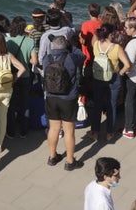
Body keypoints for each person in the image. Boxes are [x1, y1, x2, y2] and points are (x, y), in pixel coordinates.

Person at [41, 35, 84, 170]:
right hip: (68, 98)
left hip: (51, 97)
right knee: (68, 130)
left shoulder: (46, 59)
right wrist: (72, 45)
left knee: (54, 128)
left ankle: (52, 156)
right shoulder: (71, 58)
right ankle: (70, 161)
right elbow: (82, 56)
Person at [87, 26, 127, 142]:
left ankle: (95, 131)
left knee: (97, 104)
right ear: (110, 34)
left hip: (98, 77)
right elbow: (127, 64)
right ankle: (110, 132)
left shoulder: (96, 45)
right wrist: (120, 73)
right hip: (113, 77)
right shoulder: (116, 48)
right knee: (112, 105)